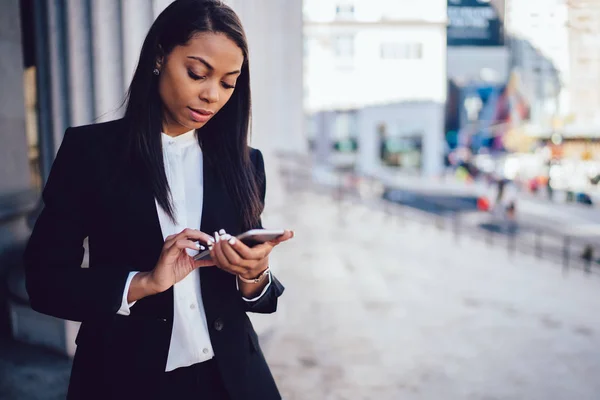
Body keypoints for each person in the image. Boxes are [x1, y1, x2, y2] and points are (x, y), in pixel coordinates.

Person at [23, 1, 293, 399]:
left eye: (228, 82)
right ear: (159, 56)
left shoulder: (246, 163)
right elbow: (44, 283)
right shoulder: (90, 153)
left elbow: (258, 300)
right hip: (124, 379)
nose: (211, 95)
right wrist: (143, 283)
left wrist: (253, 274)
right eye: (197, 73)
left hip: (234, 380)